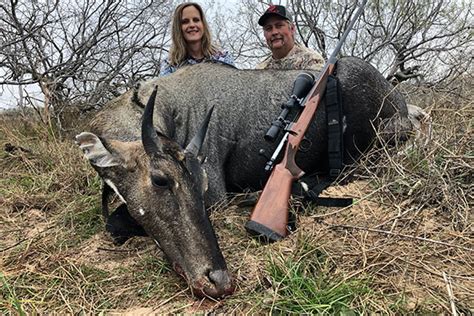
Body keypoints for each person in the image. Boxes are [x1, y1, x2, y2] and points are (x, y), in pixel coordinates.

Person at [159, 2, 235, 77]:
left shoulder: (223, 58)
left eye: (196, 20)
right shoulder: (169, 64)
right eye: (185, 22)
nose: (192, 25)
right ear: (178, 28)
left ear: (203, 24)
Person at [256, 5, 325, 71]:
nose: (274, 32)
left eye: (279, 26)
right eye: (268, 28)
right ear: (264, 34)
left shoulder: (311, 60)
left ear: (292, 28)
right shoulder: (260, 69)